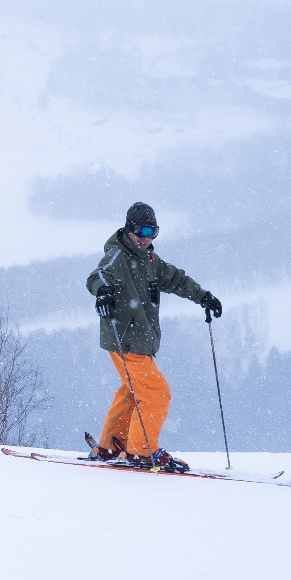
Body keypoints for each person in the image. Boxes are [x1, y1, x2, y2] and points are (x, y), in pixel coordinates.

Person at [83, 200, 221, 472]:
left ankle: (111, 445)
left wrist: (203, 297)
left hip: (139, 341)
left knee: (132, 392)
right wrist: (103, 291)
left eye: (152, 232)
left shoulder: (150, 261)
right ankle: (141, 451)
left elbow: (178, 280)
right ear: (128, 229)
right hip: (125, 339)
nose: (146, 239)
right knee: (157, 393)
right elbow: (97, 276)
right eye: (141, 232)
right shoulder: (118, 256)